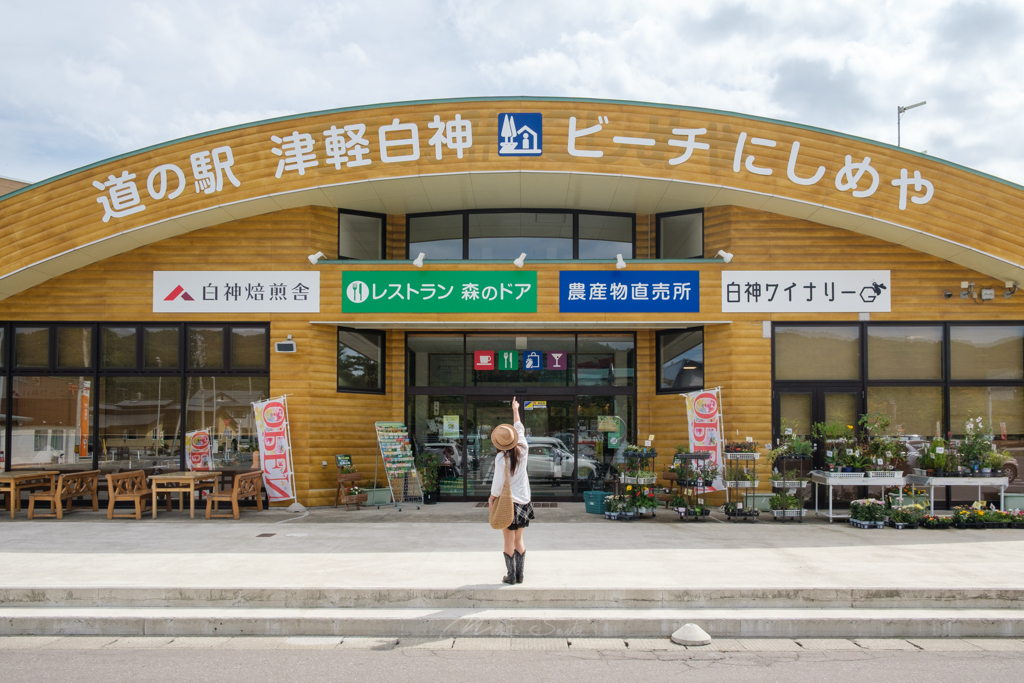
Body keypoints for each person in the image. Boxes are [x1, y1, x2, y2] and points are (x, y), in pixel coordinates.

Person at [488, 396, 533, 584]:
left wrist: (491, 500)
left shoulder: (500, 459)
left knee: (508, 539)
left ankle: (511, 575)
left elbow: (497, 486)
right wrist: (515, 409)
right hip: (523, 501)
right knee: (519, 539)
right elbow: (520, 429)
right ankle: (520, 575)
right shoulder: (523, 449)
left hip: (507, 503)